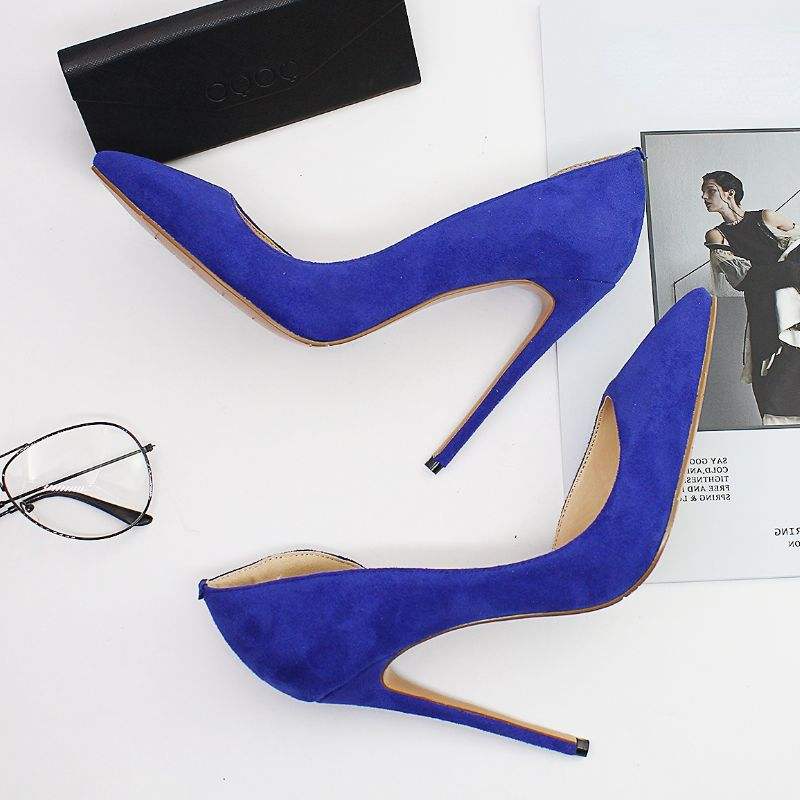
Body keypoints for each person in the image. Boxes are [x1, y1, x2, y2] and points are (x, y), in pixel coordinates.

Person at [702, 170, 800, 425]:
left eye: (710, 191)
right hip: (762, 310)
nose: (704, 197)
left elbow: (797, 247)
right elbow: (742, 279)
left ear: (729, 193)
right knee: (770, 373)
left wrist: (786, 272)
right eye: (703, 193)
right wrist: (788, 272)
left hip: (792, 305)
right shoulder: (717, 235)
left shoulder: (766, 217)